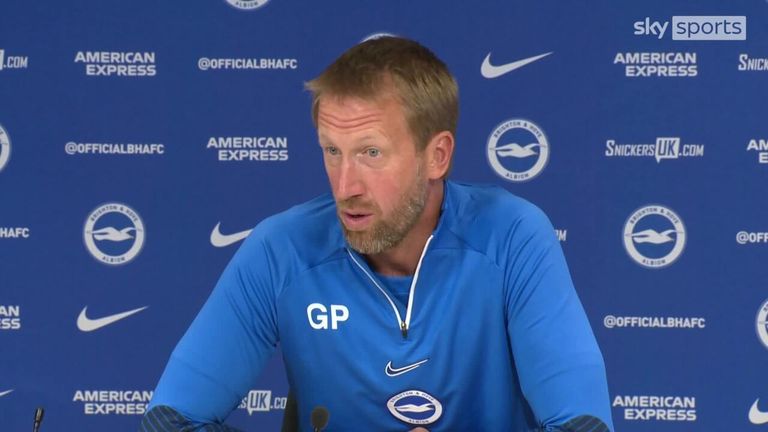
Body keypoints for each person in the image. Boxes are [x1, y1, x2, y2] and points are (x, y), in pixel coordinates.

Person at [140, 37, 613, 431]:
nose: (345, 186)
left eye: (371, 153)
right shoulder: (280, 250)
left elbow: (584, 425)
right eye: (332, 151)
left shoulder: (513, 237)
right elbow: (169, 422)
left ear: (437, 156)